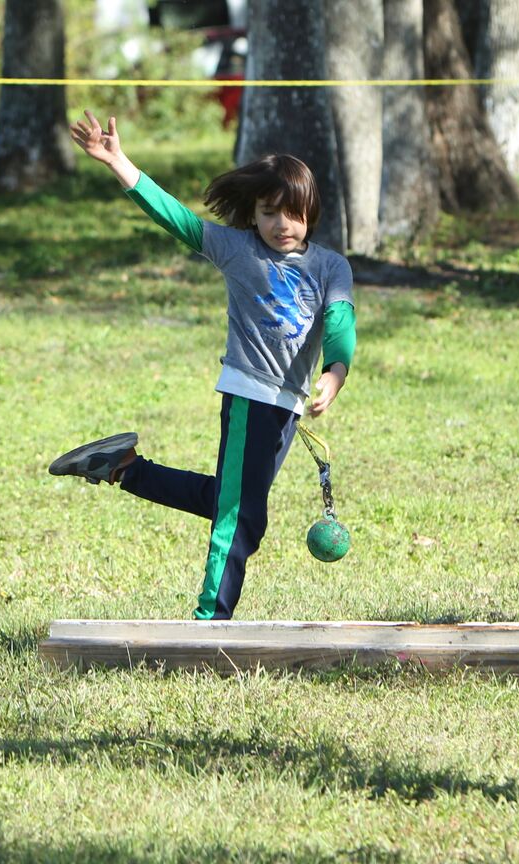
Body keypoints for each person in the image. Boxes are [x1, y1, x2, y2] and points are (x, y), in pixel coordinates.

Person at [50, 110, 356, 620]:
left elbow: (340, 321)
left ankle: (123, 468)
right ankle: (211, 620)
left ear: (312, 212)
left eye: (293, 213)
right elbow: (175, 216)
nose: (281, 224)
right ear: (253, 215)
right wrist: (117, 161)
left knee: (230, 504)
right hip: (249, 396)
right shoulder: (237, 249)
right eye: (268, 212)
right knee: (239, 519)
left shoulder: (330, 266)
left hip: (287, 405)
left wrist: (334, 372)